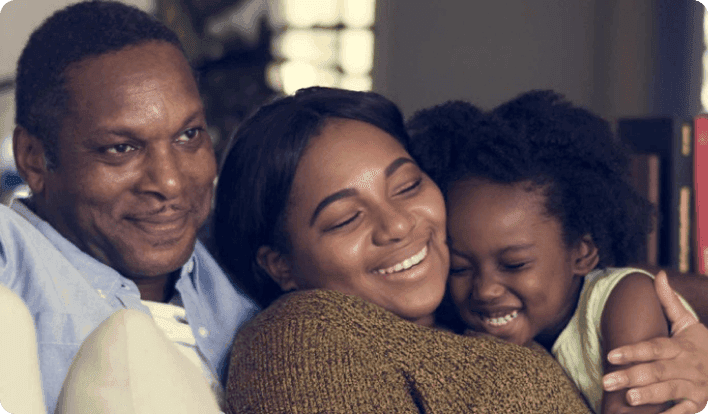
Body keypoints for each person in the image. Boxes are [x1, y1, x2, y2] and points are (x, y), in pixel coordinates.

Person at [214, 86, 594, 413]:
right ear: (281, 266)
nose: (397, 225)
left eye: (408, 186)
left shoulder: (479, 309)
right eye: (346, 218)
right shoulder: (300, 339)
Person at [4, 1, 257, 412]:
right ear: (33, 158)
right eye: (121, 148)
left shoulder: (245, 269)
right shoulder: (12, 258)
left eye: (189, 135)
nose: (170, 182)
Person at [406, 91, 708, 413]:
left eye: (514, 264)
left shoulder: (625, 298)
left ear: (583, 253)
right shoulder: (477, 328)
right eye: (461, 267)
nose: (485, 289)